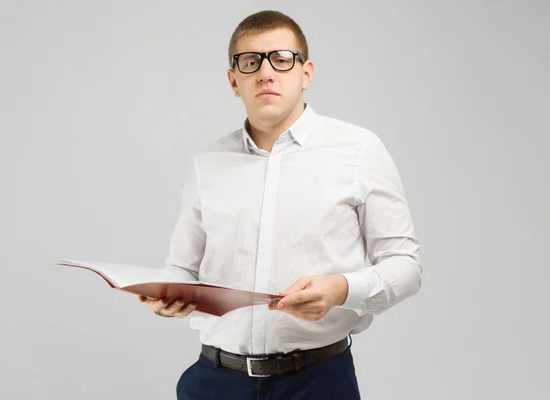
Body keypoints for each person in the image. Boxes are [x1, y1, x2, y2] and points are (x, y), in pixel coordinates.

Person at [138, 9, 422, 400]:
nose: (266, 73)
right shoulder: (208, 163)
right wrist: (169, 295)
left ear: (305, 73)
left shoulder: (359, 151)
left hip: (317, 381)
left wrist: (341, 288)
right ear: (233, 80)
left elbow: (406, 267)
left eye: (282, 59)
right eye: (250, 61)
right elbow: (182, 269)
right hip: (216, 381)